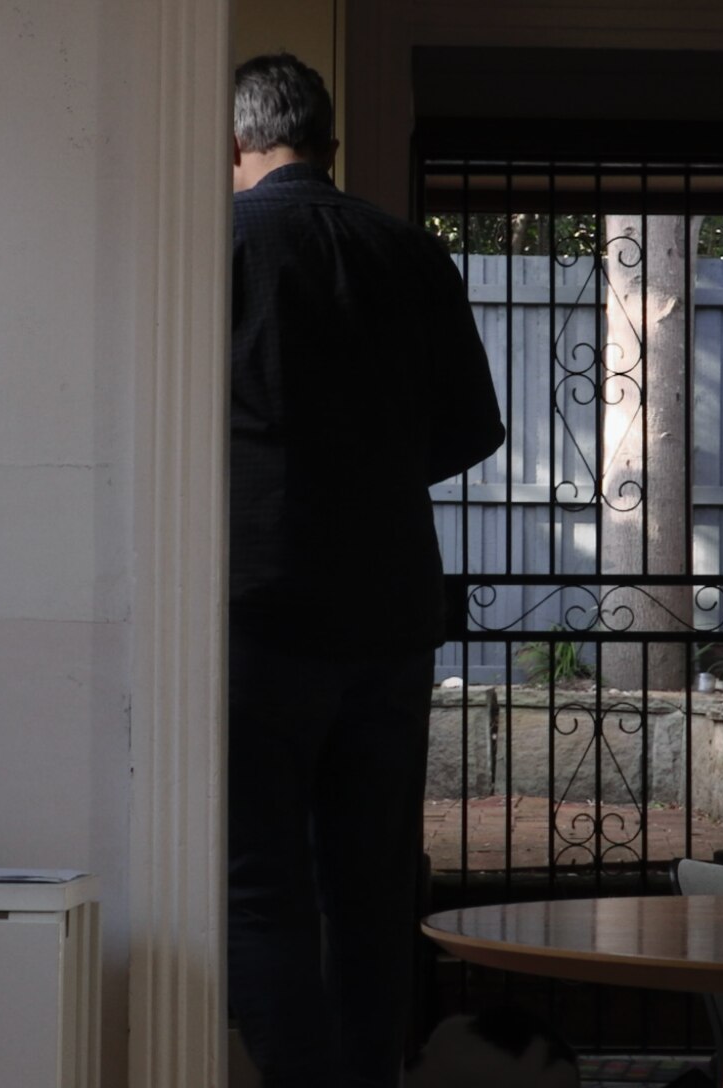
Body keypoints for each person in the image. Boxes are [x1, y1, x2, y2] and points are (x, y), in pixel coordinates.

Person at [227, 52, 506, 1088]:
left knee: (257, 882)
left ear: (236, 145)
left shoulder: (223, 246)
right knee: (371, 883)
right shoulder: (411, 253)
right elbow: (476, 424)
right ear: (330, 144)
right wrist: (379, 471)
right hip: (390, 611)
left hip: (256, 606)